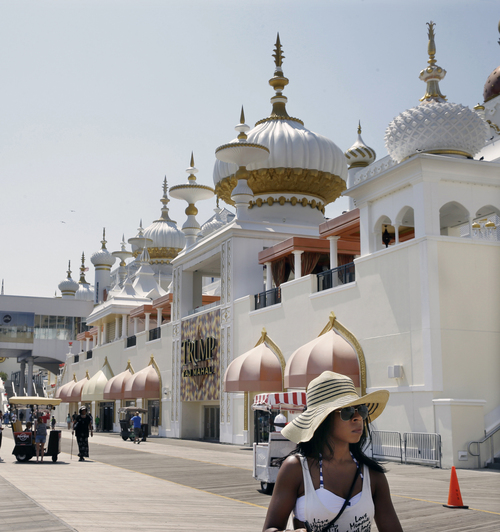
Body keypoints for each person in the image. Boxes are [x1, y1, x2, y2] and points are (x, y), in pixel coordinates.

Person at [262, 371, 403, 532]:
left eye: (362, 410)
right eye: (347, 411)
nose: (358, 417)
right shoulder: (296, 469)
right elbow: (270, 528)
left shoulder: (372, 474)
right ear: (322, 419)